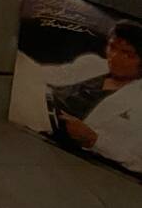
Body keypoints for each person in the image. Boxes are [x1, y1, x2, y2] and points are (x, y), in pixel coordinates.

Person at [13, 21, 142, 173]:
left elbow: (137, 158)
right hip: (37, 102)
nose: (114, 57)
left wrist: (94, 140)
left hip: (58, 137)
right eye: (112, 47)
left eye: (127, 54)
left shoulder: (137, 100)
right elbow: (44, 74)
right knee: (18, 63)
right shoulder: (93, 63)